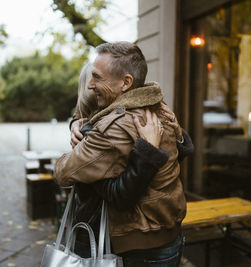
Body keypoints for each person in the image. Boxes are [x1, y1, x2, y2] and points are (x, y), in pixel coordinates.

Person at [54, 41, 187, 266]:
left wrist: (83, 147)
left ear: (126, 83)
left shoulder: (113, 126)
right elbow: (181, 150)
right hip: (170, 236)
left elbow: (63, 173)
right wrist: (79, 124)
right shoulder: (157, 107)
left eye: (97, 77)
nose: (90, 85)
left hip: (142, 248)